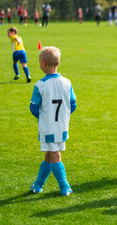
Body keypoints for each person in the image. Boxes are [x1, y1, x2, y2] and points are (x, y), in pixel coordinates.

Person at [29, 46, 77, 196]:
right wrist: (63, 115)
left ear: (43, 63)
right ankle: (38, 185)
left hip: (48, 127)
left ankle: (65, 186)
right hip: (62, 126)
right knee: (49, 155)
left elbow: (33, 107)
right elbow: (73, 104)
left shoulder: (40, 85)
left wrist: (44, 117)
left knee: (55, 155)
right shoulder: (67, 82)